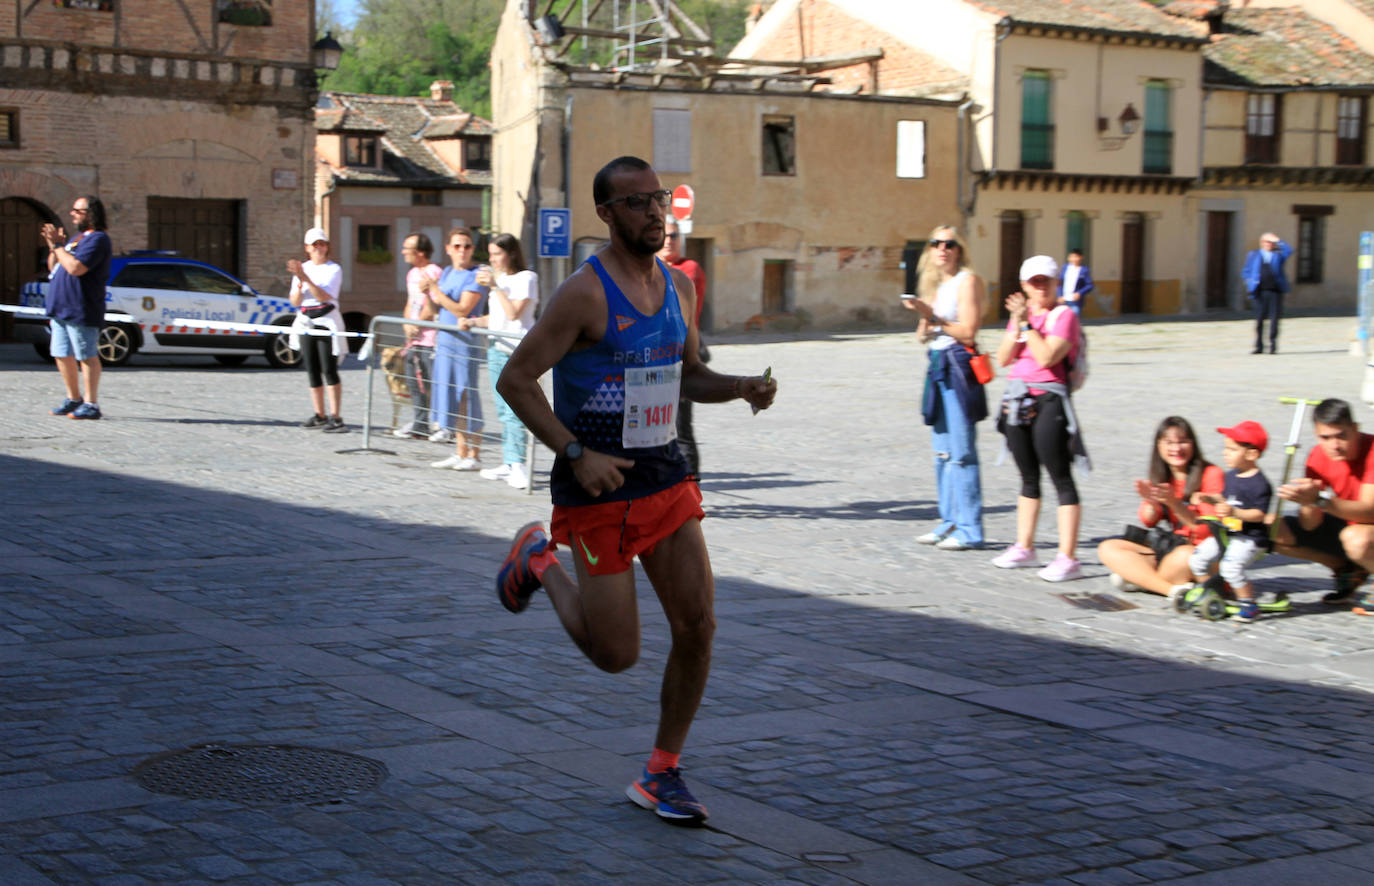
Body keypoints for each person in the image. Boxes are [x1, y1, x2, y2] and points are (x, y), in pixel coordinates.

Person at [492, 156, 776, 826]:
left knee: (699, 626)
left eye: (659, 199)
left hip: (664, 477)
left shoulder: (680, 289)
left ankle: (662, 772)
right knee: (617, 655)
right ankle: (538, 558)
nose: (655, 212)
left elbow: (689, 376)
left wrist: (738, 387)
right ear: (607, 215)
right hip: (597, 489)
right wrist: (574, 452)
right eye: (637, 202)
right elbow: (516, 380)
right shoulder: (584, 295)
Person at [990, 255, 1088, 581]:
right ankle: (1025, 546)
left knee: (1060, 476)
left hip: (1049, 399)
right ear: (1023, 286)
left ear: (1055, 281)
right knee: (1028, 477)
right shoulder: (1023, 317)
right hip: (1018, 398)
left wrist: (1028, 326)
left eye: (1045, 280)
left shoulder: (1064, 316)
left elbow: (1047, 357)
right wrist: (1017, 323)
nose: (1040, 286)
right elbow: (1003, 358)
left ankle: (1067, 557)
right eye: (1034, 281)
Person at [903, 225, 987, 551]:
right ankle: (949, 521)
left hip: (958, 369)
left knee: (962, 451)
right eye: (935, 242)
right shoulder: (939, 286)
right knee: (942, 451)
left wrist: (934, 318)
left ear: (959, 249)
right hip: (937, 368)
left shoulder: (968, 282)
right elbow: (921, 337)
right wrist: (925, 317)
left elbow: (968, 332)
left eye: (949, 243)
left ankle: (971, 528)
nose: (942, 248)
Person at [1098, 416, 1224, 597]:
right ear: (1159, 446)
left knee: (1185, 556)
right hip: (1170, 549)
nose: (1176, 448)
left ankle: (1141, 579)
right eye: (1169, 443)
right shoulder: (1163, 476)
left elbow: (1205, 529)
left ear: (1193, 444)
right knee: (1109, 547)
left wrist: (1175, 503)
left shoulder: (1211, 474)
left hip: (1201, 554)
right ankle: (1169, 589)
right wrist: (1150, 501)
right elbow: (1148, 521)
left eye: (1183, 442)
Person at [1273, 398, 1374, 612]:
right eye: (1325, 437)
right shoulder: (1317, 455)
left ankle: (1360, 563)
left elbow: (1369, 511)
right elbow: (1310, 525)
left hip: (1364, 526)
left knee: (1356, 539)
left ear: (1355, 429)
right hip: (1348, 523)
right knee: (1271, 531)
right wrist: (1307, 501)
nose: (1334, 445)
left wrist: (1320, 501)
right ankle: (1347, 570)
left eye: (1341, 436)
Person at [463, 233, 539, 490]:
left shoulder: (526, 278)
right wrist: (473, 321)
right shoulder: (503, 280)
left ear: (511, 254)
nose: (493, 259)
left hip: (517, 350)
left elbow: (514, 314)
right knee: (502, 408)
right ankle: (509, 461)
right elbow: (496, 317)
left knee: (515, 408)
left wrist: (495, 286)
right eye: (491, 254)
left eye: (497, 254)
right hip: (496, 347)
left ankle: (518, 464)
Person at [1184, 422, 1273, 622]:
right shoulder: (1231, 476)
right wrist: (1208, 498)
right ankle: (1209, 590)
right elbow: (1225, 499)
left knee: (1230, 567)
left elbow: (1259, 515)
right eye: (1226, 448)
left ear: (1251, 454)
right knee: (1197, 558)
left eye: (1232, 449)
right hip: (1229, 532)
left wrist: (1235, 512)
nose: (1225, 453)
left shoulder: (1260, 484)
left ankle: (1248, 603)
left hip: (1250, 538)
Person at [41, 195, 112, 420]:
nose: (72, 214)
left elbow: (75, 268)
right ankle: (73, 398)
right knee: (61, 354)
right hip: (61, 307)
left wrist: (61, 247)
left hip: (81, 307)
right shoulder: (77, 239)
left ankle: (91, 403)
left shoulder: (98, 239)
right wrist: (54, 247)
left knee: (86, 355)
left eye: (77, 210)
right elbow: (55, 266)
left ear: (91, 214)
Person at [428, 228, 488, 469]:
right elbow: (439, 308)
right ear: (448, 249)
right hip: (445, 339)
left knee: (467, 393)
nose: (462, 250)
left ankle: (475, 453)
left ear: (473, 249)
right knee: (450, 394)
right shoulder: (448, 272)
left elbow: (462, 309)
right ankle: (460, 451)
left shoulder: (477, 274)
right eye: (457, 246)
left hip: (465, 342)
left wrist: (434, 291)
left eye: (467, 246)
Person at [658, 216, 707, 476]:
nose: (668, 241)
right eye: (663, 236)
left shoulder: (687, 269)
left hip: (683, 354)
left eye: (673, 236)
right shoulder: (654, 269)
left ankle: (691, 487)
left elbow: (669, 297)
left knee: (681, 428)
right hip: (657, 357)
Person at [287, 227, 347, 433]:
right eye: (315, 245)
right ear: (307, 248)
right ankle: (319, 413)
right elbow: (295, 301)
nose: (319, 248)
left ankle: (336, 415)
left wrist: (305, 279)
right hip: (306, 320)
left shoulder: (333, 269)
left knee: (328, 368)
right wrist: (299, 282)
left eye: (322, 244)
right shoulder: (302, 269)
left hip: (326, 320)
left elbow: (323, 296)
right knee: (312, 369)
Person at [394, 234, 441, 439]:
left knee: (432, 382)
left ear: (420, 252)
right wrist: (406, 324)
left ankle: (441, 424)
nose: (403, 251)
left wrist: (417, 323)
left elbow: (434, 304)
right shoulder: (412, 273)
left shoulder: (434, 272)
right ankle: (420, 423)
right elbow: (410, 301)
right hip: (413, 337)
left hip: (430, 337)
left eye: (407, 248)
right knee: (414, 382)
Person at [1242, 232, 1291, 355]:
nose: (1269, 244)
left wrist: (1278, 239)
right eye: (1267, 242)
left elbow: (1289, 250)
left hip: (1275, 292)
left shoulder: (1278, 256)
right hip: (1260, 292)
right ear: (1262, 243)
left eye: (1271, 243)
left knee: (1274, 319)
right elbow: (1246, 271)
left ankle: (1273, 345)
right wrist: (1249, 283)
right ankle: (1259, 346)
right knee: (1259, 320)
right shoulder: (1254, 255)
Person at [1059, 249, 1094, 317]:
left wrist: (1079, 293)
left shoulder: (1084, 270)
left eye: (1076, 257)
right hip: (1064, 300)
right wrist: (1060, 295)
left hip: (1075, 302)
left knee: (1074, 321)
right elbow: (1059, 283)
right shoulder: (1065, 268)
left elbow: (1090, 285)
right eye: (1071, 257)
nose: (1074, 259)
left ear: (1081, 257)